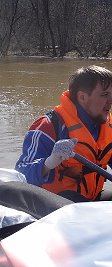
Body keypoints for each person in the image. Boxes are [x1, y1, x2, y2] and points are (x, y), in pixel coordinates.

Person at [15, 65, 112, 202]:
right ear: (82, 97)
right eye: (104, 95)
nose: (111, 101)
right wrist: (49, 162)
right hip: (55, 205)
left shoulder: (108, 126)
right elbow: (20, 175)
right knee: (74, 200)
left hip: (91, 198)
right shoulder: (48, 126)